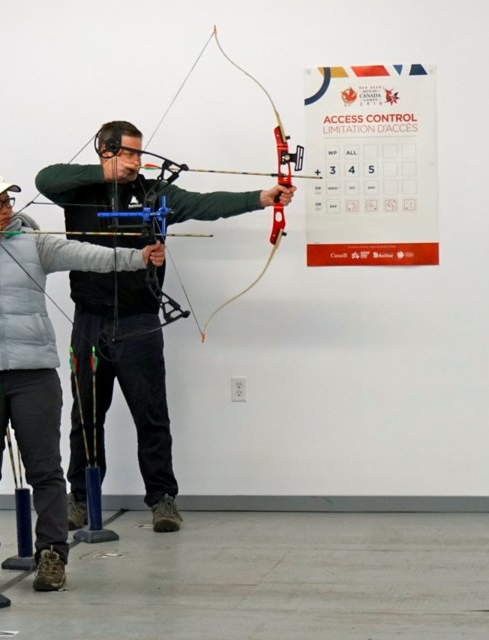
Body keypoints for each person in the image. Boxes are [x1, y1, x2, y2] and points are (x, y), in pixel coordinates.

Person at [0, 168, 165, 592]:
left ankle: (52, 557)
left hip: (34, 374)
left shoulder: (34, 243)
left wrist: (137, 257)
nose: (6, 209)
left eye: (7, 201)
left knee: (45, 471)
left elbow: (88, 255)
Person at [35, 120, 295, 533]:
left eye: (140, 154)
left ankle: (162, 499)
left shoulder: (155, 193)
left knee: (151, 414)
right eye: (128, 153)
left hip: (139, 320)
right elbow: (43, 178)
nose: (136, 162)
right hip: (88, 318)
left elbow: (205, 203)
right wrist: (104, 174)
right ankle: (81, 499)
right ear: (104, 149)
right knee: (86, 415)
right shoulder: (77, 189)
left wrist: (262, 197)